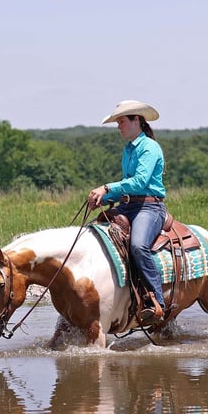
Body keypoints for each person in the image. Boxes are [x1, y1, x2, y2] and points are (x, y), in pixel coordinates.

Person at [87, 99, 167, 324]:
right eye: (118, 122)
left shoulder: (149, 147)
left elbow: (140, 182)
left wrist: (107, 188)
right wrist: (104, 198)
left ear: (136, 120)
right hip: (128, 205)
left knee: (138, 246)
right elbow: (127, 185)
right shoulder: (129, 149)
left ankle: (157, 302)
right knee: (92, 235)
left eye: (121, 121)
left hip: (149, 207)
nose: (118, 126)